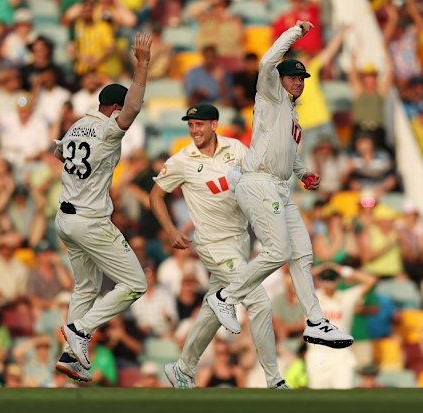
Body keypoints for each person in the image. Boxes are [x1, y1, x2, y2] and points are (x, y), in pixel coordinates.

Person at [205, 21, 354, 349]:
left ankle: (316, 321)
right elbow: (265, 62)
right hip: (258, 182)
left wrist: (303, 173)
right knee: (278, 251)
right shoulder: (270, 94)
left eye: (301, 78)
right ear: (280, 79)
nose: (298, 82)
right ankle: (225, 296)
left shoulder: (292, 113)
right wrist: (296, 33)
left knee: (302, 254)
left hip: (280, 186)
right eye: (293, 77)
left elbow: (288, 152)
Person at [149, 103, 288, 389]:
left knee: (213, 310)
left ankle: (182, 368)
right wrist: (171, 230)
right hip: (213, 244)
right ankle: (274, 381)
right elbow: (155, 196)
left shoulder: (235, 149)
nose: (194, 130)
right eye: (190, 124)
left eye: (199, 124)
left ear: (214, 125)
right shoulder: (181, 160)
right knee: (259, 302)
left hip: (240, 240)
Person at [53, 33, 153, 383]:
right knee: (135, 283)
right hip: (91, 221)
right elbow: (134, 107)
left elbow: (59, 152)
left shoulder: (76, 126)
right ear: (113, 109)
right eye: (121, 110)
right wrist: (141, 65)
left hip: (64, 219)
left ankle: (72, 358)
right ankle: (80, 331)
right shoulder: (109, 130)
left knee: (85, 287)